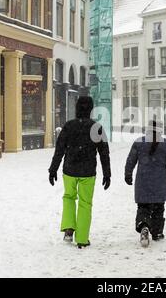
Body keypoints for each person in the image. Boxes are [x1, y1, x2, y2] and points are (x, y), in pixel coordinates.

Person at [48, 96, 111, 249]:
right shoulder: (96, 127)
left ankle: (69, 228)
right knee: (85, 203)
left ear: (76, 108)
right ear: (90, 109)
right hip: (88, 172)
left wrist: (53, 169)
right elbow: (104, 153)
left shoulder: (69, 126)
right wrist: (107, 173)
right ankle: (82, 238)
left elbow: (59, 149)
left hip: (69, 170)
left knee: (69, 197)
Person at [124, 120, 166, 247]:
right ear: (160, 131)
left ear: (147, 130)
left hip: (143, 182)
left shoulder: (138, 143)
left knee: (143, 207)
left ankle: (144, 226)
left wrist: (128, 174)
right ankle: (156, 232)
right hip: (160, 183)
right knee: (158, 208)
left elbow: (131, 161)